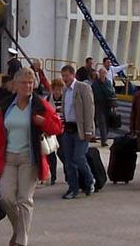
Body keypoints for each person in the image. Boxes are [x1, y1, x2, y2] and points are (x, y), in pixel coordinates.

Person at [0, 67, 63, 246]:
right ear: (15, 85)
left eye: (31, 83)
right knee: (6, 198)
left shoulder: (39, 105)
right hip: (9, 158)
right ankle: (19, 231)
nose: (28, 86)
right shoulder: (6, 106)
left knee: (24, 199)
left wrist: (43, 122)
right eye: (24, 83)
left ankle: (21, 241)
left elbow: (58, 128)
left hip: (30, 158)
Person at [59, 64, 96, 198]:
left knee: (79, 157)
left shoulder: (83, 88)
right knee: (69, 161)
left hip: (80, 129)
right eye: (63, 76)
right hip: (68, 129)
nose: (64, 78)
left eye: (66, 75)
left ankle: (90, 180)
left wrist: (89, 130)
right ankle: (73, 188)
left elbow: (89, 109)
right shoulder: (65, 90)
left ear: (73, 75)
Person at [91, 67, 116, 146]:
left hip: (107, 104)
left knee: (107, 122)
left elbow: (112, 93)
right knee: (102, 122)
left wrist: (114, 106)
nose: (102, 75)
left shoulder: (108, 83)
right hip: (98, 104)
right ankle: (103, 140)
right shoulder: (95, 84)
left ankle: (105, 136)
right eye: (101, 73)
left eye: (104, 73)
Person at [48, 78, 66, 185]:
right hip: (51, 130)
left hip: (62, 129)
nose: (58, 92)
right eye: (56, 89)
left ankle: (68, 173)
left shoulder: (65, 99)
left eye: (60, 89)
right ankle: (53, 176)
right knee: (50, 154)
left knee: (62, 153)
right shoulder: (47, 99)